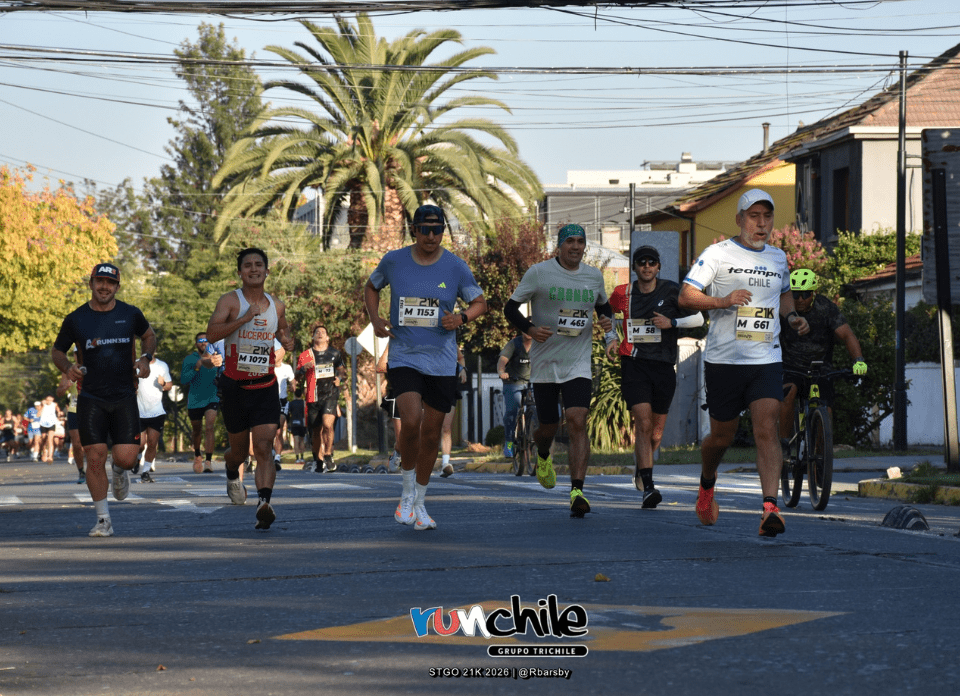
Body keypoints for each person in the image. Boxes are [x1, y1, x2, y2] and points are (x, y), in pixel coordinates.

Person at [678, 188, 809, 538]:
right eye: (754, 216)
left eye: (767, 217)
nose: (762, 223)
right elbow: (686, 295)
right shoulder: (717, 254)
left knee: (767, 426)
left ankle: (769, 509)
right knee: (722, 436)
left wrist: (793, 316)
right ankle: (707, 484)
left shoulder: (778, 258)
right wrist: (722, 300)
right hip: (723, 360)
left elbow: (783, 293)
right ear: (739, 220)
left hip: (765, 357)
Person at [364, 203, 486, 530]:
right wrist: (374, 318)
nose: (431, 236)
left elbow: (480, 303)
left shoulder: (456, 267)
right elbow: (371, 287)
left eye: (437, 229)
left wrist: (461, 317)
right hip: (404, 355)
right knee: (412, 419)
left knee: (432, 434)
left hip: (442, 360)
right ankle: (405, 495)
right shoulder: (393, 260)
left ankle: (419, 500)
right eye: (425, 229)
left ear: (443, 232)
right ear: (414, 230)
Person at [504, 223, 617, 518]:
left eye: (581, 242)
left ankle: (577, 490)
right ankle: (543, 454)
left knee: (577, 419)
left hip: (578, 362)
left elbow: (604, 308)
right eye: (570, 242)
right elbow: (510, 308)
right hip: (545, 362)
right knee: (549, 427)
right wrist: (530, 329)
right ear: (559, 246)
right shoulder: (539, 273)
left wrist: (609, 332)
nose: (576, 247)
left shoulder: (593, 276)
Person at [51, 262, 157, 538]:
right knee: (94, 457)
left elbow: (149, 336)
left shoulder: (131, 313)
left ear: (117, 286)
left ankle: (120, 470)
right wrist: (67, 369)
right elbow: (57, 351)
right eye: (99, 281)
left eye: (110, 283)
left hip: (123, 396)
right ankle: (103, 520)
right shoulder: (76, 319)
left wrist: (145, 358)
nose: (104, 287)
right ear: (91, 283)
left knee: (125, 458)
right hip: (91, 397)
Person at [607, 245, 704, 508]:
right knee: (643, 423)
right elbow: (606, 312)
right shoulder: (622, 293)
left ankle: (642, 466)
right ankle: (649, 488)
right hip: (634, 363)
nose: (646, 267)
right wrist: (609, 339)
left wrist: (672, 323)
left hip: (663, 366)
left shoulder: (672, 290)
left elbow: (698, 318)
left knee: (656, 434)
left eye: (651, 262)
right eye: (641, 263)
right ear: (635, 267)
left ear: (658, 267)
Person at [206, 247, 294, 531]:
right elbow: (212, 334)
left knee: (265, 446)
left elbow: (282, 330)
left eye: (259, 265)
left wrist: (287, 340)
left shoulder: (277, 304)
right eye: (248, 265)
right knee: (239, 452)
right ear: (240, 272)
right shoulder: (230, 301)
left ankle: (263, 503)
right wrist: (244, 319)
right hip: (234, 387)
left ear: (267, 271)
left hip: (265, 384)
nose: (254, 269)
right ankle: (232, 472)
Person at [779, 268, 868, 444]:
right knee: (789, 394)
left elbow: (847, 335)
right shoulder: (784, 309)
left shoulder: (826, 308)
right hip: (791, 366)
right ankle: (783, 445)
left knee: (825, 410)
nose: (800, 299)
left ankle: (820, 456)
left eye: (805, 294)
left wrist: (858, 360)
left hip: (820, 368)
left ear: (814, 293)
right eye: (796, 294)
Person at [296, 324, 346, 474]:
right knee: (316, 431)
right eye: (317, 332)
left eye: (323, 332)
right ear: (313, 337)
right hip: (313, 396)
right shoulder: (305, 355)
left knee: (327, 424)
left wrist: (339, 379)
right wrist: (303, 368)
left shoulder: (335, 354)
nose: (320, 334)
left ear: (327, 337)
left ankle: (328, 454)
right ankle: (317, 460)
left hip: (330, 394)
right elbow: (297, 377)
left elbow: (342, 372)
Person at [181, 332, 222, 473]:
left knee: (210, 427)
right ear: (196, 344)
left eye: (206, 340)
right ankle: (197, 455)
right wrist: (197, 367)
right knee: (196, 430)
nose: (203, 343)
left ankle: (208, 461)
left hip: (212, 397)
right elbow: (184, 380)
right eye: (200, 341)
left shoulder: (216, 357)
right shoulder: (189, 359)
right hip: (195, 400)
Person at [136, 353, 172, 483]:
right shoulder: (135, 364)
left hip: (156, 411)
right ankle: (138, 457)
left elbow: (169, 385)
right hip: (139, 411)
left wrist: (163, 384)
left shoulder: (162, 366)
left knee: (152, 443)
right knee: (140, 444)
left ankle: (145, 472)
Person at [498, 333, 532, 459]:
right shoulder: (514, 344)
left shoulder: (540, 343)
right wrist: (502, 371)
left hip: (532, 382)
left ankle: (534, 437)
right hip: (513, 382)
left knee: (538, 409)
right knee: (512, 409)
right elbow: (502, 359)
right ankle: (509, 442)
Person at [438, 346, 467, 478]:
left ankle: (445, 463)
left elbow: (460, 357)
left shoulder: (451, 342)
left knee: (446, 427)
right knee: (426, 427)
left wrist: (462, 370)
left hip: (449, 385)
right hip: (430, 385)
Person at [56, 363, 86, 483]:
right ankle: (81, 471)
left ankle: (95, 471)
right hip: (74, 410)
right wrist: (66, 386)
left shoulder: (94, 363)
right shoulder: (68, 370)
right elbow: (59, 392)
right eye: (75, 353)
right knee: (77, 444)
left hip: (92, 409)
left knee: (93, 445)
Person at [376, 342, 402, 473]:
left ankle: (413, 463)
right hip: (396, 394)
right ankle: (397, 453)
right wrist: (389, 346)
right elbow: (379, 367)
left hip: (417, 394)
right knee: (401, 439)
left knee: (417, 433)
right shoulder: (393, 347)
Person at [273, 353, 296, 471]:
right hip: (269, 401)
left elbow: (293, 382)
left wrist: (293, 387)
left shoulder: (287, 368)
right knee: (268, 431)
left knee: (278, 430)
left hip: (282, 401)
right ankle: (271, 453)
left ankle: (277, 457)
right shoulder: (267, 367)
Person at [286, 387, 307, 469]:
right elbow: (305, 414)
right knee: (302, 440)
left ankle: (297, 458)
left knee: (296, 440)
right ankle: (302, 457)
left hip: (294, 423)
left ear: (294, 394)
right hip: (302, 423)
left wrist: (288, 424)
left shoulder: (291, 403)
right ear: (301, 394)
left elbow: (288, 413)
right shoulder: (304, 403)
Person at [38, 395, 61, 463]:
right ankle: (44, 453)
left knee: (50, 439)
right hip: (43, 423)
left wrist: (59, 413)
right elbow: (38, 415)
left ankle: (50, 456)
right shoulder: (42, 405)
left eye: (50, 400)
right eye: (47, 400)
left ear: (53, 400)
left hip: (51, 423)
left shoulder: (54, 405)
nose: (49, 402)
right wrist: (42, 406)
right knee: (44, 438)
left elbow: (58, 411)